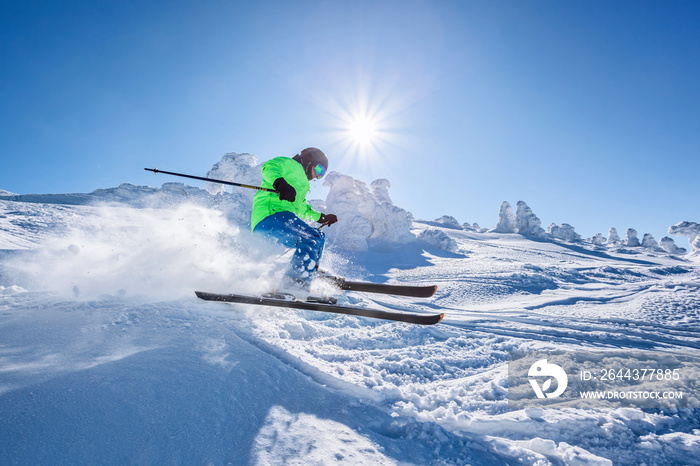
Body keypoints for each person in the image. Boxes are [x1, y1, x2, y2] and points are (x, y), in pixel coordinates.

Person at [251, 147, 338, 293]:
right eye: (319, 169)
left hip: (282, 219)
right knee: (311, 237)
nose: (317, 175)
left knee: (319, 236)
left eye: (321, 173)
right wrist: (280, 183)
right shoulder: (289, 164)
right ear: (309, 161)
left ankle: (309, 271)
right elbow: (269, 167)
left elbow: (301, 208)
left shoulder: (303, 184)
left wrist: (322, 217)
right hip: (270, 215)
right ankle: (294, 284)